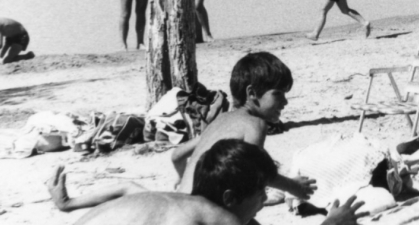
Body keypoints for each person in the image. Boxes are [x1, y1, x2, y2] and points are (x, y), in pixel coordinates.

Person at [46, 139, 365, 225]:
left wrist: (68, 204)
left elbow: (126, 187)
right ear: (229, 198)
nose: (264, 201)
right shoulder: (218, 217)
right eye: (260, 193)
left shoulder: (177, 201)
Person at [170, 52, 318, 202]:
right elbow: (256, 172)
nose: (285, 102)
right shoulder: (255, 124)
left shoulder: (220, 120)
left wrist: (183, 179)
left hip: (181, 202)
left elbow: (177, 155)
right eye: (277, 94)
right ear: (252, 93)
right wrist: (293, 186)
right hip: (204, 209)